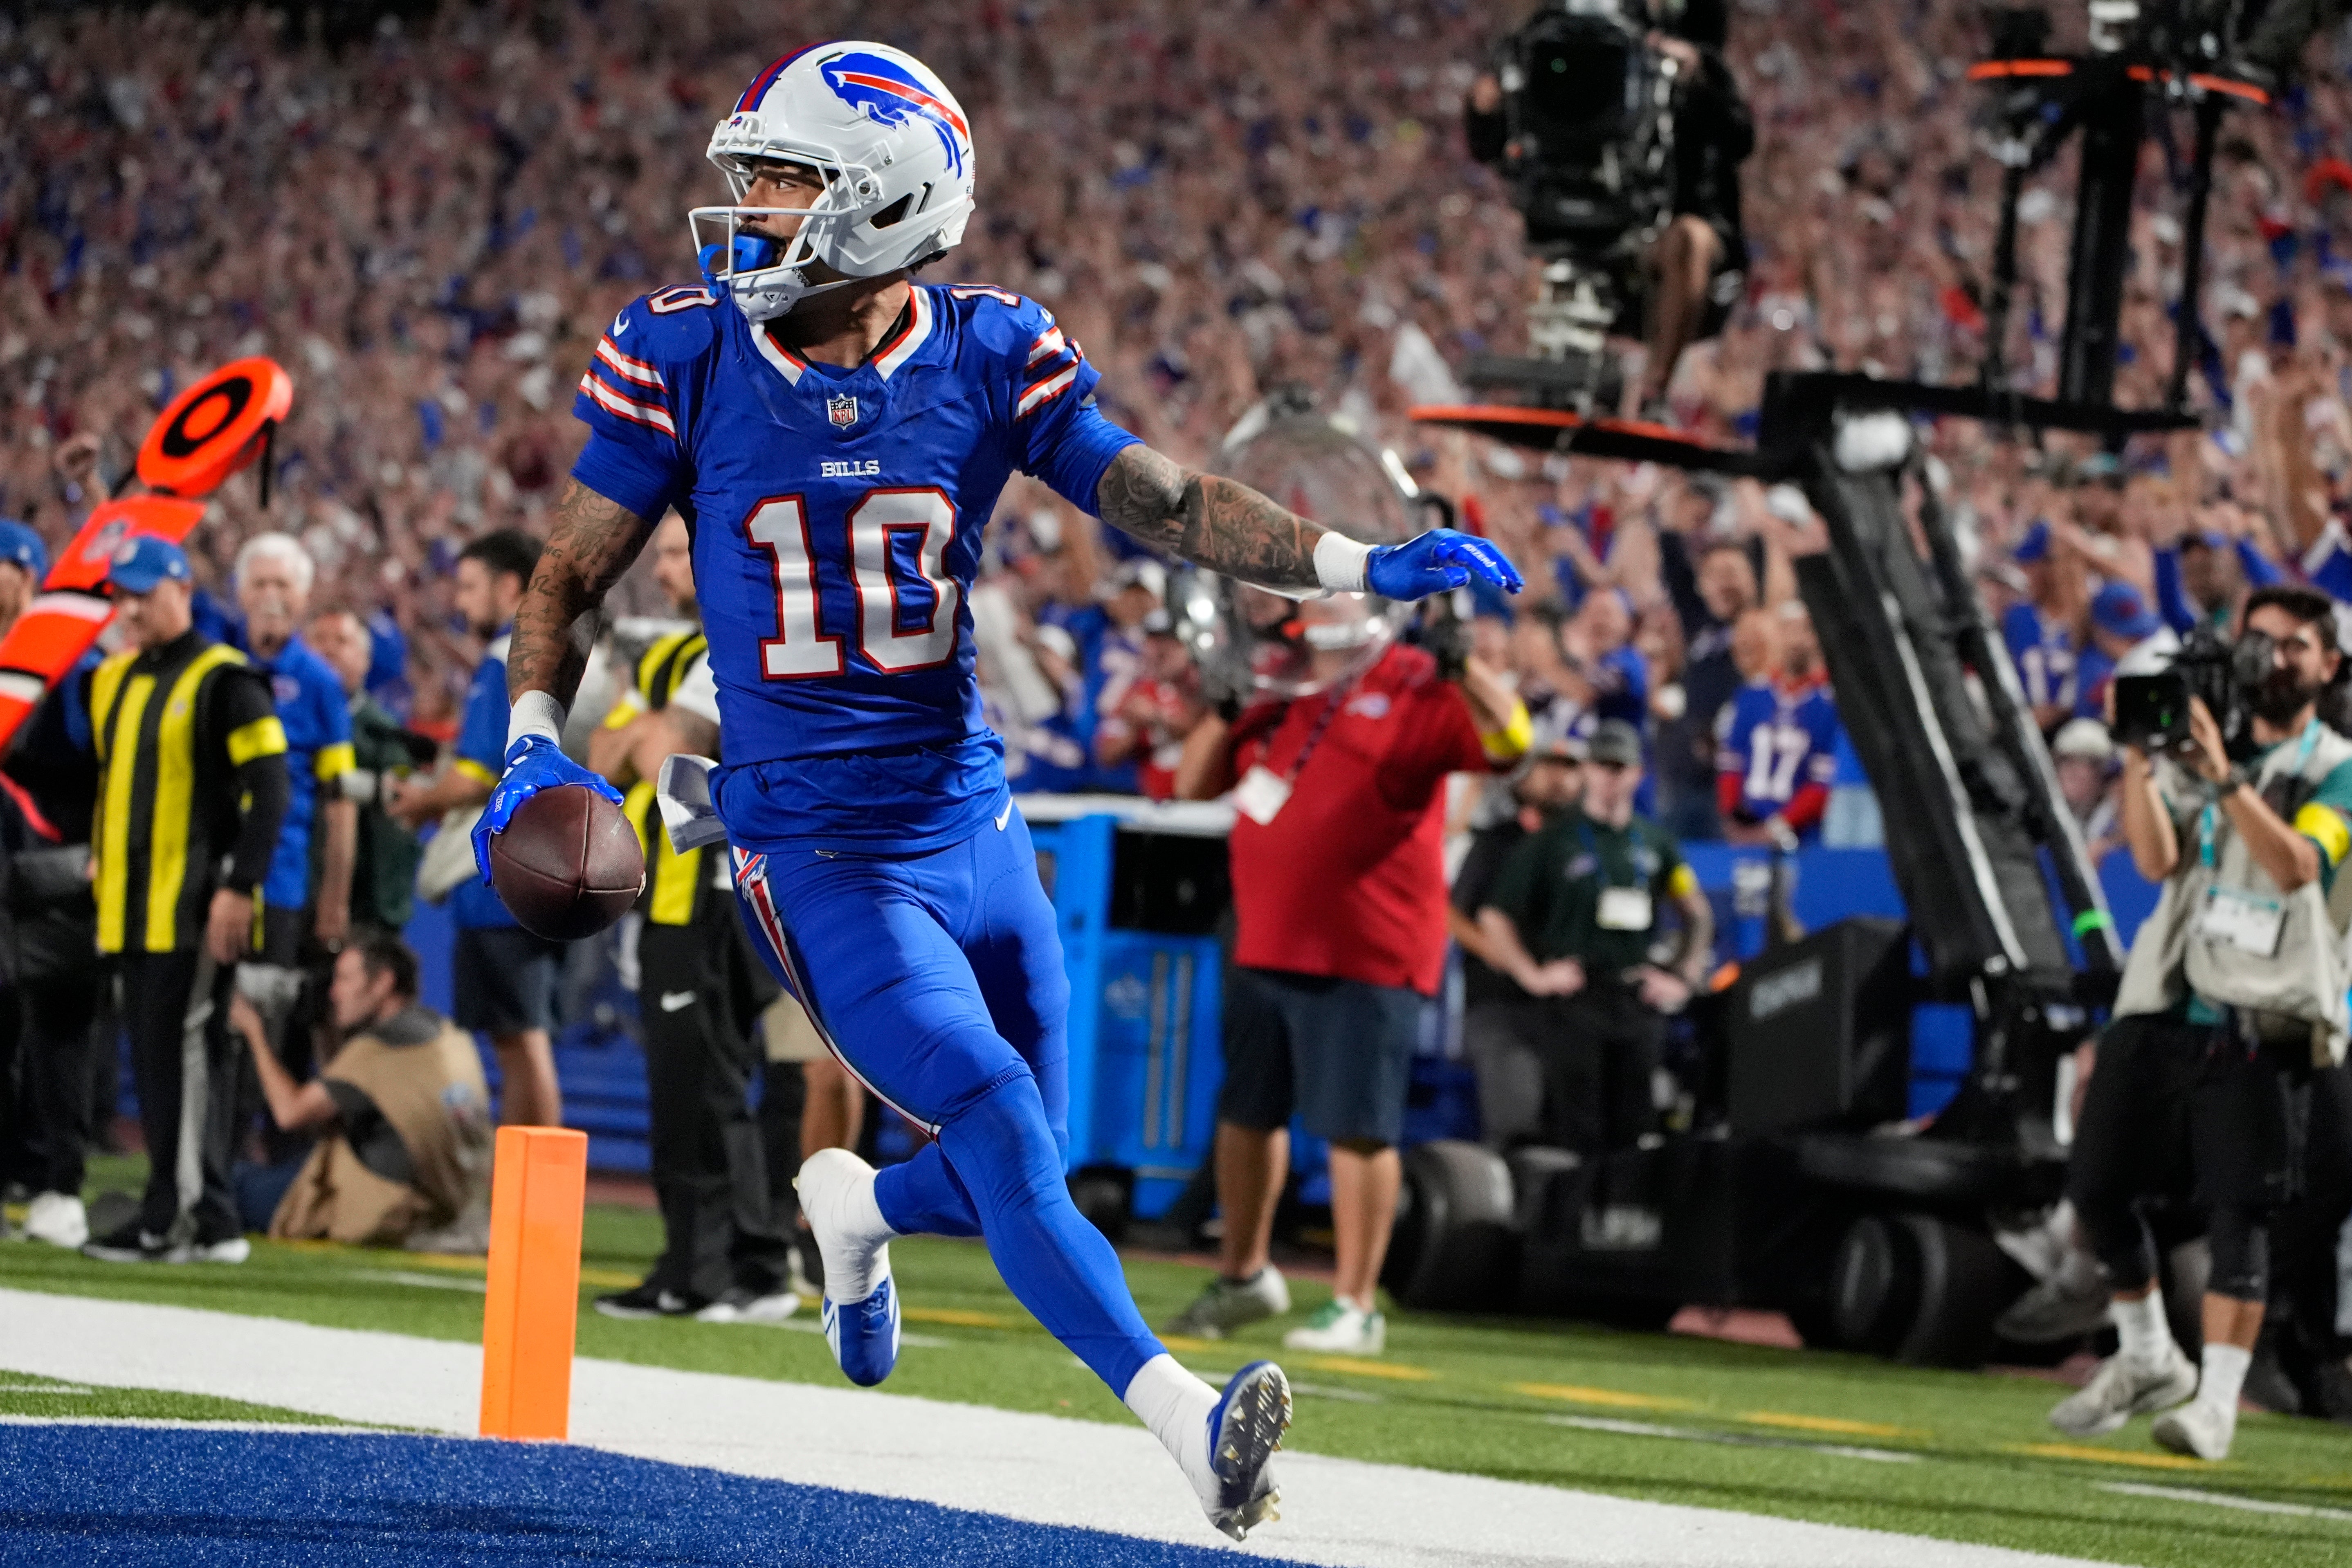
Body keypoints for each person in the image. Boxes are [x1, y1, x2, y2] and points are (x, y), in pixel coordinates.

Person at [471, 40, 1520, 1543]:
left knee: (1007, 1158)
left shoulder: (986, 351)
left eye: (787, 180)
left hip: (970, 820)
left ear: (883, 203)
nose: (750, 207)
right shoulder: (682, 350)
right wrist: (529, 733)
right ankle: (1186, 1418)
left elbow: (1155, 498)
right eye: (756, 178)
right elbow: (568, 571)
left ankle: (852, 1206)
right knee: (1006, 1116)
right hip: (813, 846)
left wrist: (1357, 562)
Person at [1164, 591, 1530, 1354]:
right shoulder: (1280, 679)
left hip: (1369, 947)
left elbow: (1511, 745)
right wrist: (1223, 708)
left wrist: (1467, 667)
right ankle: (1243, 1274)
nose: (1316, 595)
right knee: (1246, 1115)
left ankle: (1356, 1302)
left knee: (1357, 1127)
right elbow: (1193, 784)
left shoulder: (1412, 678)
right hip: (1265, 939)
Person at [2056, 586, 2352, 1460]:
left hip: (2262, 1008)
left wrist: (2224, 777)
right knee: (2096, 1185)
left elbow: (2299, 865)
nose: (2266, 658)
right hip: (2167, 997)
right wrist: (2141, 759)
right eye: (2253, 640)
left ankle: (2216, 1402)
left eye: (2288, 645)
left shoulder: (2335, 764)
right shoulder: (2199, 746)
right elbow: (2153, 859)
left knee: (2239, 1212)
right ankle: (2148, 1352)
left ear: (2326, 664)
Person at [589, 516, 795, 1324]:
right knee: (706, 1089)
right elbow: (616, 749)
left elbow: (660, 750)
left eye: (681, 553)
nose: (668, 569)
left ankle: (704, 1272)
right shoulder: (672, 653)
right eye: (665, 554)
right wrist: (648, 737)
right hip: (681, 887)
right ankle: (746, 1263)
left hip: (710, 890)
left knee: (700, 1090)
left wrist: (647, 735)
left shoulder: (740, 645)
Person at [79, 535, 291, 1264]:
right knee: (160, 1058)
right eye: (122, 594)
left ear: (181, 589)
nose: (130, 607)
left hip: (195, 902)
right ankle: (191, 1211)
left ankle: (191, 1215)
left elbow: (271, 790)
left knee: (189, 1056)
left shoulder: (225, 678)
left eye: (143, 591)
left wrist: (238, 886)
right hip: (129, 906)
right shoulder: (112, 679)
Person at [387, 529, 563, 1130]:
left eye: (468, 586)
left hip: (505, 883)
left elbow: (474, 774)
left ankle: (533, 1195)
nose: (460, 602)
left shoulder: (505, 659)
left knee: (522, 1041)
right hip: (527, 876)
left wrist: (418, 800)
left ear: (508, 586)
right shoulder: (542, 654)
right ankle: (523, 1191)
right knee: (517, 1041)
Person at [1474, 719, 1715, 1159]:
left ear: (1637, 775)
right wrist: (1533, 975)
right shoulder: (1554, 841)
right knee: (1574, 1124)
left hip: (1635, 996)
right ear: (1588, 771)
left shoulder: (1655, 843)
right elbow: (1495, 915)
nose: (1610, 777)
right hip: (1577, 999)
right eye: (1602, 766)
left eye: (1620, 767)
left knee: (1636, 1125)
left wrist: (1682, 975)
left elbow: (1696, 913)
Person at [229, 933, 492, 1247]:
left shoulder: (380, 1049)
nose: (335, 993)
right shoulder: (446, 1034)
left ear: (382, 983)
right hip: (453, 1203)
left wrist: (253, 1030)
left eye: (344, 980)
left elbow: (290, 1113)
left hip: (384, 1208)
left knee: (228, 1186)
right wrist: (323, 1029)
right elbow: (341, 1093)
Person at [229, 533, 356, 1153]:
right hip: (209, 874)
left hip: (282, 882)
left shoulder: (321, 684)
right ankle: (208, 1153)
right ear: (240, 593)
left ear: (304, 597)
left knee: (272, 1024)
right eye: (261, 583)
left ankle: (266, 1160)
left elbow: (340, 803)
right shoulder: (218, 666)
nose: (272, 597)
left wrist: (332, 898)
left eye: (284, 585)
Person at [0, 519, 103, 1249]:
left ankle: (58, 1184)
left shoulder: (68, 661)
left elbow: (101, 758)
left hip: (60, 869)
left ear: (30, 576)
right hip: (10, 872)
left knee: (61, 1029)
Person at [1453, 733, 1586, 1150]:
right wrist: (1496, 952)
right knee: (1516, 1126)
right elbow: (1449, 912)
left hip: (1571, 1008)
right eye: (1549, 768)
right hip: (1502, 1005)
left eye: (1570, 770)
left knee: (1577, 1129)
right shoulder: (1497, 842)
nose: (1559, 780)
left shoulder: (1587, 843)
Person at [307, 609, 426, 935]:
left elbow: (400, 824)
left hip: (360, 912)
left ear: (364, 661)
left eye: (342, 642)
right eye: (319, 640)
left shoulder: (383, 735)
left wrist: (382, 915)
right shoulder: (284, 720)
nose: (328, 650)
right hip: (289, 898)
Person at [1714, 607, 1839, 845]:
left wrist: (1779, 826)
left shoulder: (1827, 705)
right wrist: (1732, 817)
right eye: (1788, 630)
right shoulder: (1751, 696)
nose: (1796, 640)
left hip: (1801, 836)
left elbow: (1822, 782)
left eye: (1805, 631)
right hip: (1745, 825)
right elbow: (1731, 764)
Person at [2003, 522, 2080, 733]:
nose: (2024, 575)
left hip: (2080, 733)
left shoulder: (2087, 615)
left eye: (2030, 566)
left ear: (2052, 566)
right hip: (2031, 731)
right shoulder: (2017, 617)